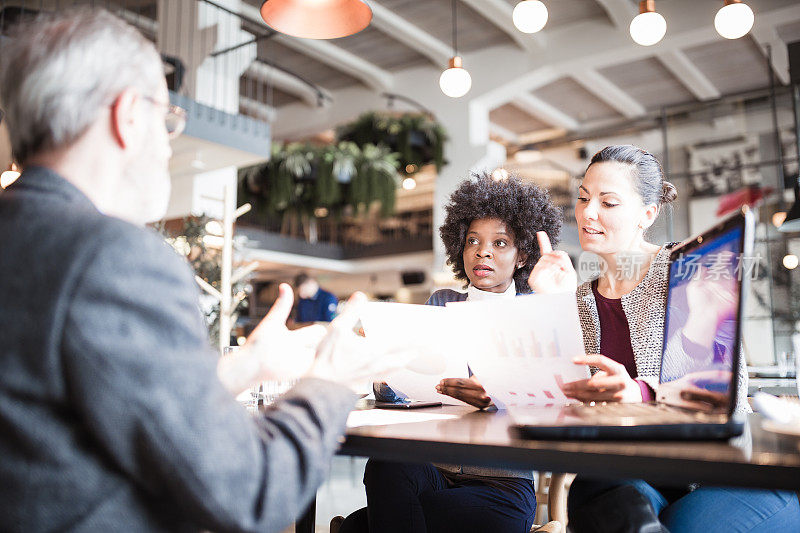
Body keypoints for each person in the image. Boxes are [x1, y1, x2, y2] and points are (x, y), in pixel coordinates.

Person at [0, 10, 402, 531]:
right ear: (127, 115)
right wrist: (330, 382)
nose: (169, 143)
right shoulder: (115, 258)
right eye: (167, 119)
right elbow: (249, 493)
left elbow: (71, 406)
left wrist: (247, 366)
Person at [528, 145, 800, 532]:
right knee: (594, 484)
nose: (588, 213)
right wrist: (550, 308)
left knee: (679, 524)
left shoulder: (691, 267)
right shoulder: (580, 297)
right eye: (584, 198)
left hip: (723, 473)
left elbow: (730, 396)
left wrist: (641, 391)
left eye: (608, 202)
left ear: (647, 214)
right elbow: (562, 398)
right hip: (643, 475)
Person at [340, 172, 563, 533]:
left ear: (523, 256)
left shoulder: (536, 310)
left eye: (501, 243)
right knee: (386, 464)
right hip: (435, 469)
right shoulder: (442, 302)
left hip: (502, 484)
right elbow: (405, 393)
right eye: (472, 240)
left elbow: (554, 403)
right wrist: (386, 376)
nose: (482, 250)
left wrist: (497, 397)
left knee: (361, 527)